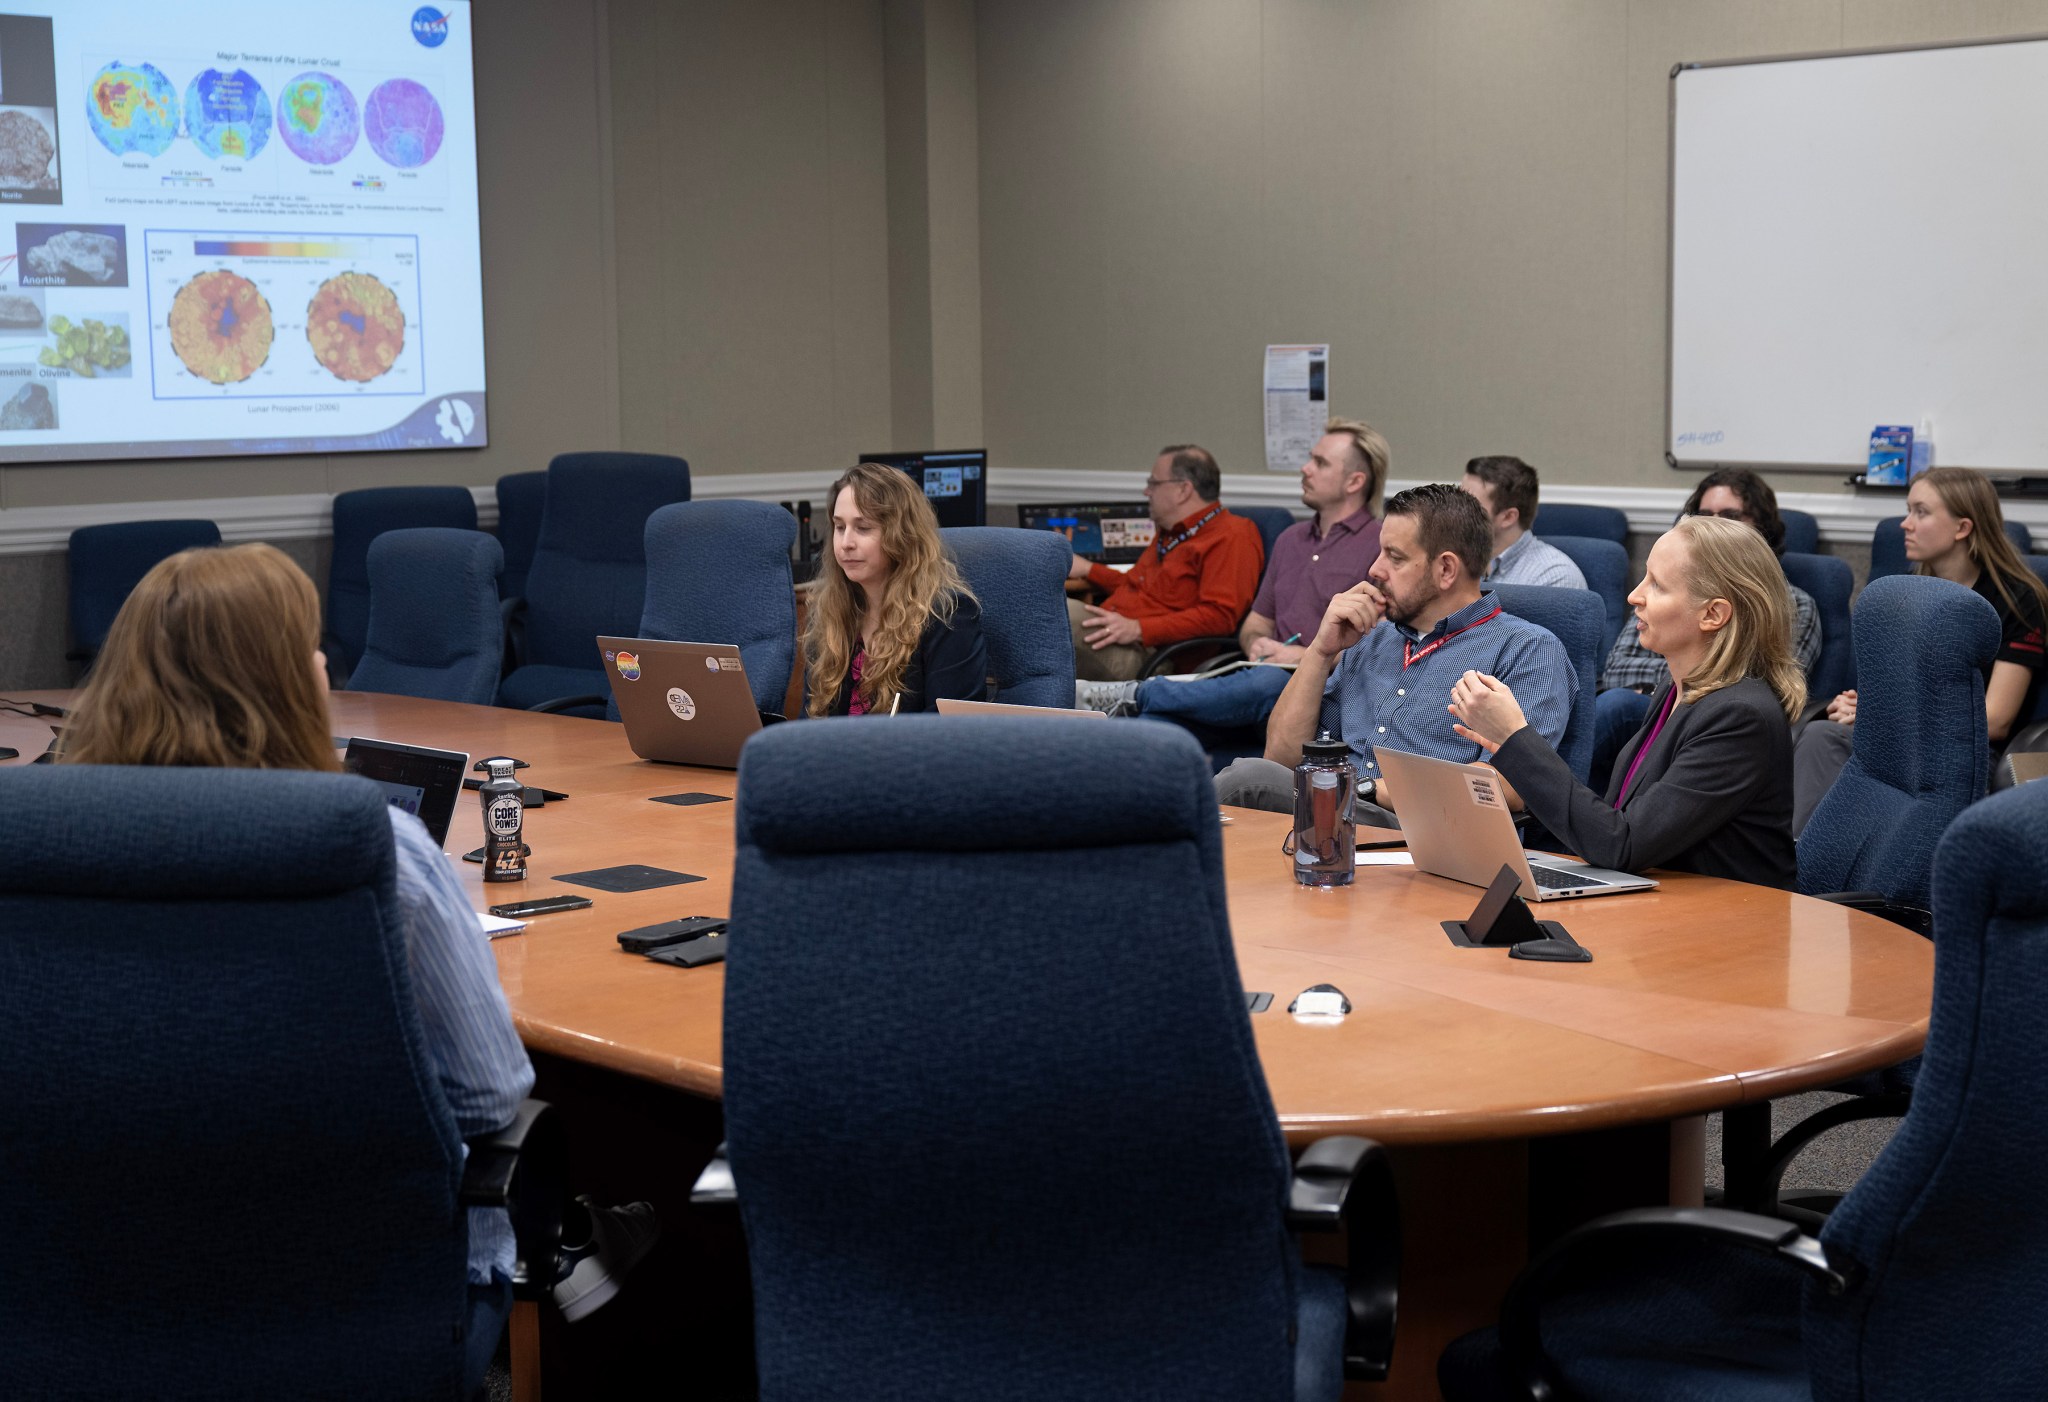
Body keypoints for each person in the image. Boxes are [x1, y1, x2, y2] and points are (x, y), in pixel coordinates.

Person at [56, 544, 656, 1383]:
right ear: (271, 681)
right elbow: (489, 1095)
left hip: (76, 1285)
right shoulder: (379, 853)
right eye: (307, 646)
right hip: (359, 1295)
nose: (323, 661)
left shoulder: (49, 850)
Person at [1449, 514, 1804, 888]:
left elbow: (1622, 844)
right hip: (1669, 905)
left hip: (1730, 929)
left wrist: (1514, 738)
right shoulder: (1677, 689)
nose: (1635, 595)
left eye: (1658, 586)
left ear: (1713, 614)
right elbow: (1619, 822)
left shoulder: (1739, 716)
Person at [1213, 482, 1575, 818]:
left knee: (1249, 781)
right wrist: (1320, 652)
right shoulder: (1371, 639)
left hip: (1427, 829)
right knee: (1255, 779)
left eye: (1395, 557)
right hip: (1338, 816)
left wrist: (1361, 789)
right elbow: (1282, 759)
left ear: (1446, 569)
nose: (1375, 569)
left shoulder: (1527, 649)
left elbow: (1507, 786)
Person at [1074, 418, 1387, 731]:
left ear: (1354, 482)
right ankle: (1134, 710)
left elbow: (1382, 643)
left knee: (1267, 682)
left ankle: (1138, 694)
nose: (1305, 468)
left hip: (1320, 686)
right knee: (1152, 729)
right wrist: (1256, 644)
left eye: (1319, 463)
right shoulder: (1290, 539)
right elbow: (1255, 623)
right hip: (1258, 673)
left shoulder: (1381, 544)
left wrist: (1304, 656)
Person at [1791, 467, 2047, 833]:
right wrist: (1858, 706)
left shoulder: (2017, 599)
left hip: (1964, 752)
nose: (1905, 524)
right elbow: (1889, 689)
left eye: (1921, 512)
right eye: (1908, 510)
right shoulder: (1906, 590)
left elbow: (1996, 719)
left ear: (1962, 528)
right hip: (1898, 737)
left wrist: (1879, 715)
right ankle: (1796, 870)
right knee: (1821, 735)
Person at [1593, 467, 1821, 788]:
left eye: (1730, 515)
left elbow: (1765, 679)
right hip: (1664, 702)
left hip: (1713, 720)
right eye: (1703, 514)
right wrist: (1675, 670)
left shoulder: (1793, 603)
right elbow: (1617, 670)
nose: (1715, 524)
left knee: (1618, 705)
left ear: (1762, 528)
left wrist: (1682, 661)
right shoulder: (1667, 589)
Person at [1066, 443, 1266, 681]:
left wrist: (1138, 629)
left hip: (1154, 657)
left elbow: (1219, 617)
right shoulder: (1171, 533)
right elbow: (1136, 587)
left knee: (1050, 614)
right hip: (1115, 633)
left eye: (1153, 483)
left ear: (1183, 489)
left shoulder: (1232, 535)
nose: (1146, 492)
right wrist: (1089, 569)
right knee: (1040, 607)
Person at [806, 461, 988, 715]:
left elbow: (947, 733)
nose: (846, 542)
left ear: (901, 535)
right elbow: (808, 722)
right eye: (839, 527)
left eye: (863, 528)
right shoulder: (831, 611)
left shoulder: (948, 617)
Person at [1460, 455, 1586, 589]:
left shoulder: (1555, 578)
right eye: (1458, 498)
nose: (1456, 510)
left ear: (1508, 517)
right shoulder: (1451, 561)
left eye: (1469, 504)